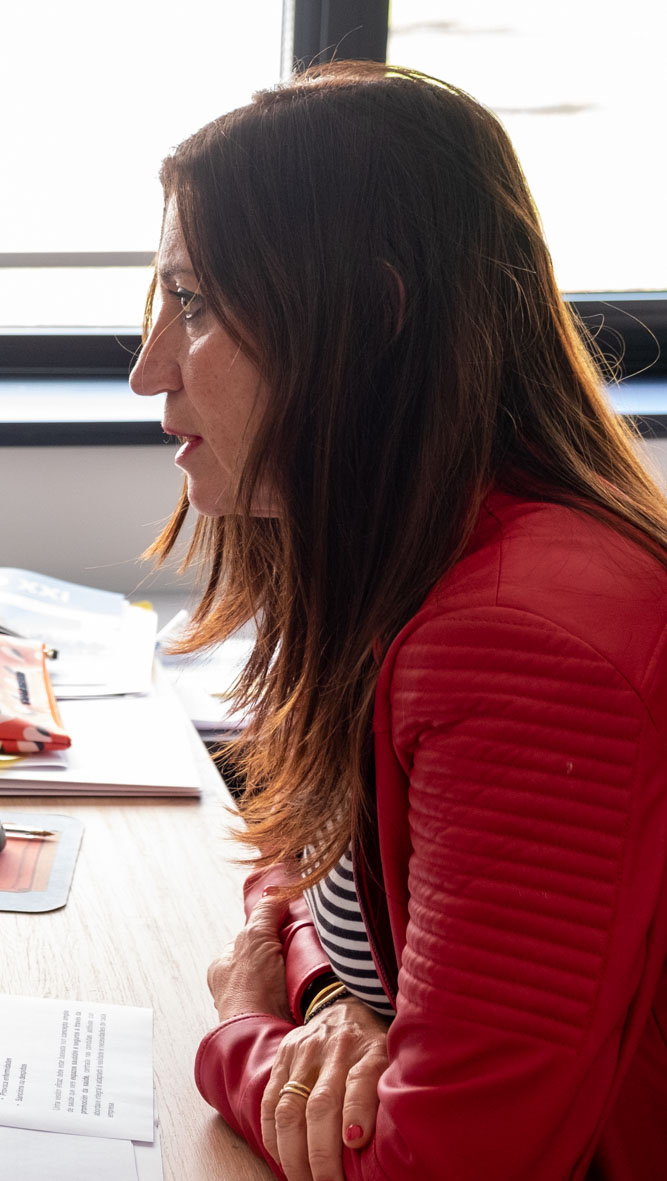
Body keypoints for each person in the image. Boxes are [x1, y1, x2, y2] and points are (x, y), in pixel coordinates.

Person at [129, 63, 667, 1181]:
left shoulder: (523, 642)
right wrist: (331, 997)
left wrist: (240, 1030)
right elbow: (296, 851)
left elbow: (437, 1164)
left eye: (195, 304)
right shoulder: (393, 545)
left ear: (369, 323)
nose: (149, 371)